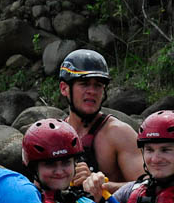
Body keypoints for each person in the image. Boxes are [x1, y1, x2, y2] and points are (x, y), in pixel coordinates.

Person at [58, 49, 143, 195]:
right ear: (64, 88)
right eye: (84, 84)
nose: (92, 91)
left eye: (98, 85)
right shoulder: (55, 133)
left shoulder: (119, 133)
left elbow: (147, 187)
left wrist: (101, 185)